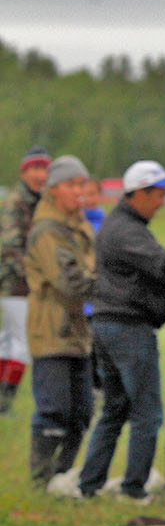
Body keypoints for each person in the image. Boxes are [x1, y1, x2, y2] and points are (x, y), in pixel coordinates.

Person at [78, 160, 165, 501]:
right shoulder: (127, 231)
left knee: (115, 410)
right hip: (127, 330)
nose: (163, 201)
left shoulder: (122, 225)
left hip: (108, 325)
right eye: (159, 193)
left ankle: (89, 487)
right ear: (139, 193)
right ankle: (133, 489)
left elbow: (150, 282)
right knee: (147, 414)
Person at [22, 155, 94, 487]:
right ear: (53, 191)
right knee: (54, 410)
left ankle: (63, 475)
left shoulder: (78, 223)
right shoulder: (47, 230)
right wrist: (114, 286)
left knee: (81, 413)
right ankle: (41, 480)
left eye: (82, 184)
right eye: (72, 185)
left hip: (78, 332)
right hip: (52, 331)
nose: (79, 191)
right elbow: (71, 282)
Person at [1, 145, 51, 414]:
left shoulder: (37, 199)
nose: (40, 174)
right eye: (35, 168)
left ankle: (2, 400)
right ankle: (4, 402)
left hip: (19, 284)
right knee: (22, 343)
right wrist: (36, 277)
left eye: (44, 168)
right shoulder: (15, 201)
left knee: (9, 340)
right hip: (14, 284)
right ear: (24, 171)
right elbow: (9, 247)